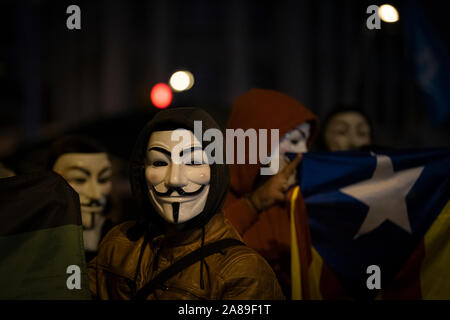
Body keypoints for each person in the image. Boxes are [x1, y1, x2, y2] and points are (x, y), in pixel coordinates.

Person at [87, 107, 285, 300]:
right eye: (159, 162)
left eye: (193, 162)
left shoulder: (243, 272)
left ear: (218, 171)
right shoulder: (119, 243)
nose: (175, 180)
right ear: (141, 170)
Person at [223, 88, 318, 298]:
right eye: (293, 140)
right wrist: (254, 204)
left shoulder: (296, 199)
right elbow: (202, 252)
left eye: (305, 140)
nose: (302, 151)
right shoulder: (205, 197)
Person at [48, 135, 114, 262]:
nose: (95, 194)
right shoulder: (37, 243)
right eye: (79, 179)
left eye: (103, 178)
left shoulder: (124, 241)